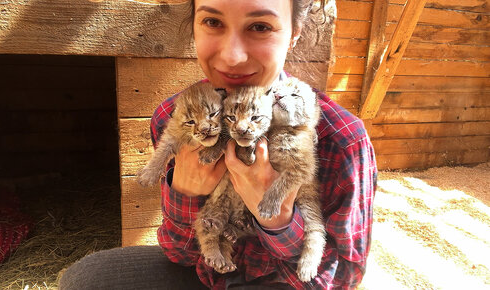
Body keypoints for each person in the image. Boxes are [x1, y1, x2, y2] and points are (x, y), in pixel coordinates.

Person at [59, 0, 377, 289]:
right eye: (212, 22)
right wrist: (183, 192)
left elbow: (340, 279)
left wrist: (278, 222)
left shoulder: (343, 139)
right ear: (194, 27)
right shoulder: (175, 118)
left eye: (260, 26)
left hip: (288, 282)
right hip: (208, 274)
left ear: (295, 32)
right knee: (85, 279)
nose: (231, 56)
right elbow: (179, 254)